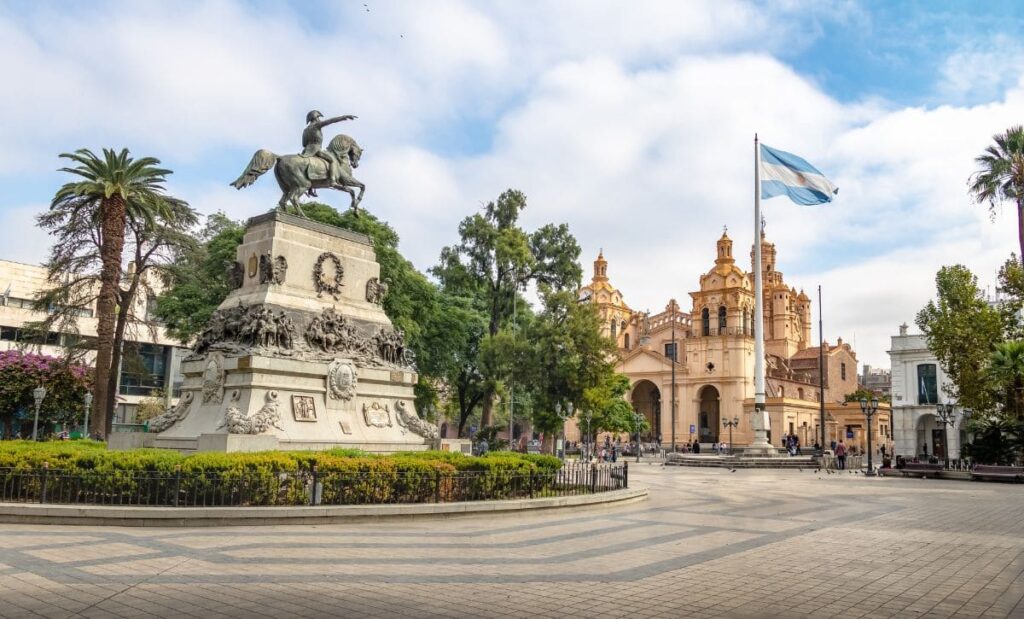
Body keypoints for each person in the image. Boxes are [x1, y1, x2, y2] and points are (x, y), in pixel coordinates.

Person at [301, 110, 357, 196]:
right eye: (318, 117)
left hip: (306, 151)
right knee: (332, 160)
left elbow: (304, 143)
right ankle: (333, 180)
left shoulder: (305, 130)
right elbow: (330, 121)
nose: (319, 119)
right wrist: (344, 117)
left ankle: (311, 188)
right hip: (316, 149)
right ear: (315, 118)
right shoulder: (316, 125)